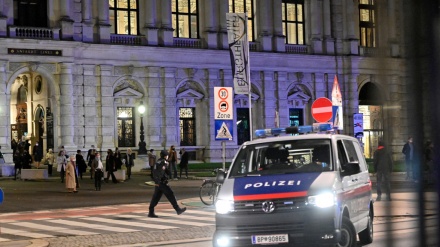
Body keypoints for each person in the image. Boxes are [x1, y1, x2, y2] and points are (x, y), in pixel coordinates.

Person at [148, 150, 187, 218]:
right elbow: (162, 171)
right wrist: (161, 180)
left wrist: (156, 181)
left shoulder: (158, 161)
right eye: (167, 155)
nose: (168, 156)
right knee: (170, 194)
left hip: (158, 183)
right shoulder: (164, 162)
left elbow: (155, 171)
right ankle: (177, 209)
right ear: (165, 156)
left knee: (156, 198)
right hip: (162, 182)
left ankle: (151, 212)